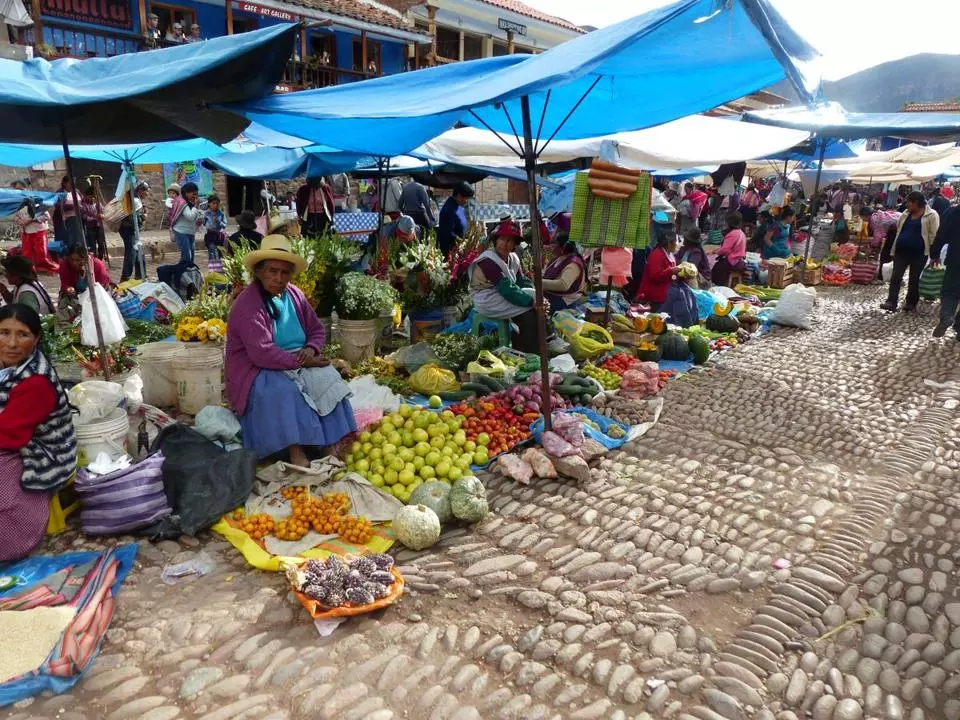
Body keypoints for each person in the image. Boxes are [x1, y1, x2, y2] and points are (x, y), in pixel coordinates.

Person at [225, 235, 355, 466]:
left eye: (284, 273)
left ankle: (327, 442)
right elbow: (261, 352)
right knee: (284, 389)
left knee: (327, 377)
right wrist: (302, 362)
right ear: (259, 271)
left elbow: (316, 329)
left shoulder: (295, 295)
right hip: (255, 368)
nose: (278, 278)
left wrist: (311, 349)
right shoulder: (247, 305)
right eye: (272, 271)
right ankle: (296, 452)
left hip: (297, 358)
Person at [0, 304, 76, 561]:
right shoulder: (7, 366)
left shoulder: (36, 382)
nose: (11, 343)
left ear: (36, 339)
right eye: (4, 332)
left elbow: (9, 436)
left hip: (44, 452)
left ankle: (13, 537)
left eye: (22, 334)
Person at [468, 222, 540, 353]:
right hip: (487, 299)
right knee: (529, 314)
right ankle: (532, 353)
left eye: (509, 241)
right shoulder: (488, 260)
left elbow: (521, 281)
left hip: (501, 294)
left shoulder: (513, 258)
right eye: (502, 239)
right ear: (496, 240)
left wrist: (535, 295)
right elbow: (506, 289)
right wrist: (531, 301)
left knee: (537, 308)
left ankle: (530, 345)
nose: (505, 244)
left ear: (515, 244)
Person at [882, 191, 940, 312]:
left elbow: (934, 235)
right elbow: (899, 230)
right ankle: (891, 301)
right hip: (901, 251)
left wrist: (934, 254)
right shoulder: (905, 213)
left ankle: (911, 302)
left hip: (919, 253)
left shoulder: (931, 215)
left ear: (916, 203)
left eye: (909, 202)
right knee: (896, 276)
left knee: (914, 279)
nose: (906, 204)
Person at [931, 203, 960, 337]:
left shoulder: (953, 212)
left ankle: (947, 316)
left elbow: (941, 234)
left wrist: (935, 254)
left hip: (956, 259)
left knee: (950, 291)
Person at [541, 235, 586, 312]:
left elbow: (563, 285)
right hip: (551, 298)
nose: (552, 246)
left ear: (562, 247)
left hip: (563, 303)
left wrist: (539, 283)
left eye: (554, 244)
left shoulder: (573, 263)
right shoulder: (559, 258)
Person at [14, 197, 58, 274]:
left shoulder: (38, 207)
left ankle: (48, 267)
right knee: (27, 253)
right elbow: (17, 217)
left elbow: (47, 217)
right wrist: (21, 222)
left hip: (39, 231)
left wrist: (32, 220)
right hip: (26, 232)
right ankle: (30, 269)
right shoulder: (20, 208)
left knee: (41, 253)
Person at [637, 232, 678, 312]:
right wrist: (671, 271)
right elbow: (655, 276)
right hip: (653, 297)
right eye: (675, 242)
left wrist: (677, 275)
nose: (676, 245)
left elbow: (671, 276)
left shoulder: (670, 255)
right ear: (669, 243)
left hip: (665, 295)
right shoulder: (657, 255)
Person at [119, 181, 148, 282]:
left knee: (138, 251)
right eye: (145, 191)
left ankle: (140, 275)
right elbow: (132, 218)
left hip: (131, 229)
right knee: (131, 253)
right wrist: (143, 218)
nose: (147, 193)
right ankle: (125, 278)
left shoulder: (136, 200)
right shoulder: (135, 201)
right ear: (140, 190)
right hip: (129, 230)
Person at [437, 182, 473, 258]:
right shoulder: (448, 210)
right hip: (452, 252)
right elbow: (446, 233)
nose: (466, 201)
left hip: (460, 249)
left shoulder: (458, 206)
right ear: (459, 196)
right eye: (465, 198)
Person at [712, 211, 747, 287]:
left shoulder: (732, 234)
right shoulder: (741, 232)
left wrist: (716, 252)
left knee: (715, 267)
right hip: (739, 260)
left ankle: (719, 286)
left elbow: (725, 250)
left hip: (733, 262)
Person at [79, 186, 105, 260]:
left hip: (99, 227)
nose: (93, 199)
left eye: (94, 197)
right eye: (91, 197)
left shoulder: (97, 204)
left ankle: (100, 260)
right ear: (86, 196)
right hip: (90, 228)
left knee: (101, 244)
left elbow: (103, 210)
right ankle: (94, 261)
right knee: (92, 246)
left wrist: (103, 215)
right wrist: (96, 218)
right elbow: (85, 217)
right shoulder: (83, 205)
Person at [203, 194, 227, 266]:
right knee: (212, 251)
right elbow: (202, 224)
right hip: (210, 235)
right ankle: (213, 269)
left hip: (219, 236)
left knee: (220, 252)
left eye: (217, 203)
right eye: (213, 203)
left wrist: (219, 222)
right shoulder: (205, 214)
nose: (215, 205)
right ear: (209, 204)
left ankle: (219, 269)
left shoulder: (221, 214)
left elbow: (224, 225)